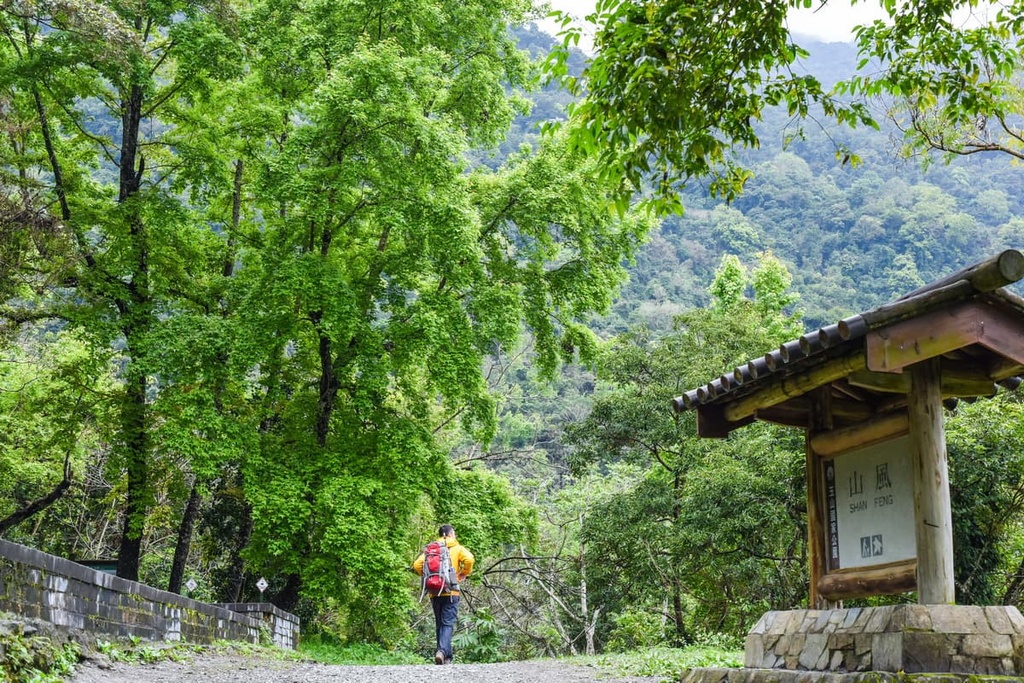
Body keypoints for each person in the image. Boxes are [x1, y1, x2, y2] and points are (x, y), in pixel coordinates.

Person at [413, 524, 474, 665]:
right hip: (451, 590)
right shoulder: (457, 548)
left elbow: (417, 565)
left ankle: (446, 657)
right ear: (451, 534)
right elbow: (469, 559)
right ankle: (441, 651)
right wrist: (463, 573)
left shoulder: (432, 549)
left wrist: (429, 577)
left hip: (434, 591)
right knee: (448, 623)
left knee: (440, 623)